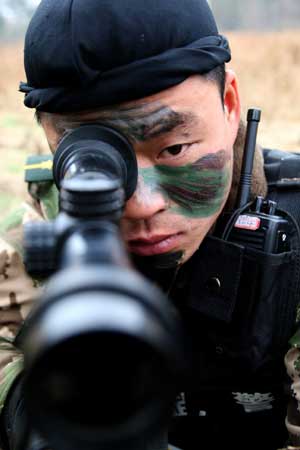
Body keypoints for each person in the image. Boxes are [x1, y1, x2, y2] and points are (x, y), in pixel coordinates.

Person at [0, 0, 299, 449]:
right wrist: (29, 412)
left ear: (230, 104)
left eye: (175, 149)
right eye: (100, 163)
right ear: (50, 138)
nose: (141, 204)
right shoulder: (33, 223)